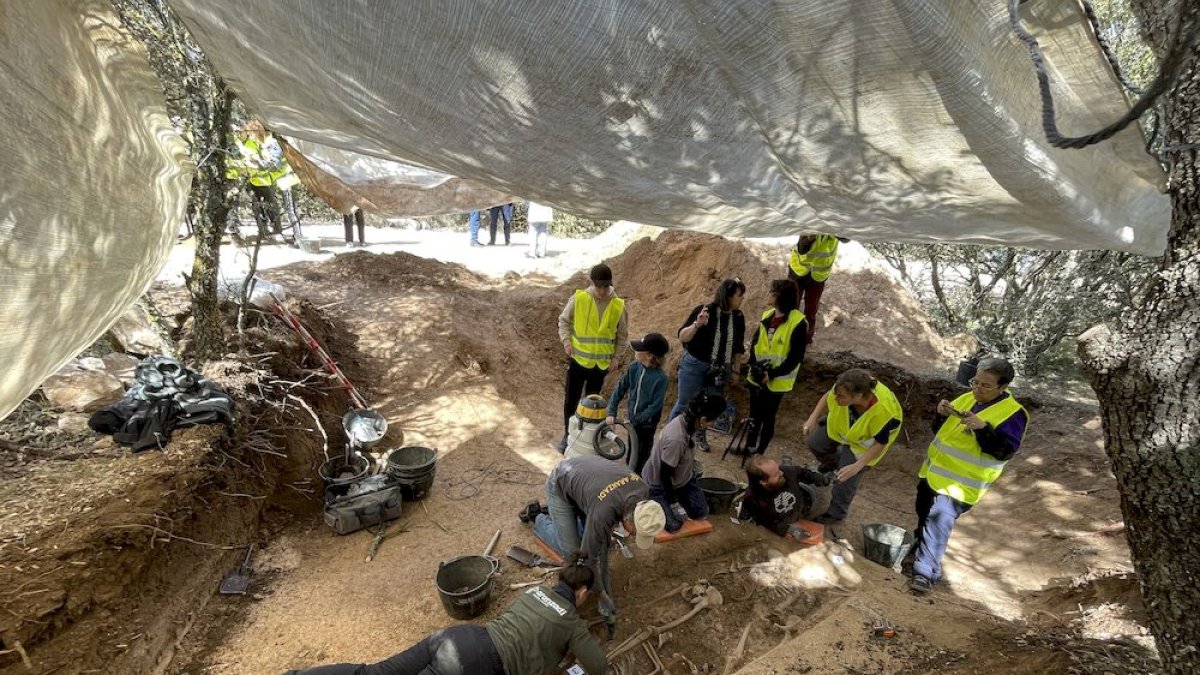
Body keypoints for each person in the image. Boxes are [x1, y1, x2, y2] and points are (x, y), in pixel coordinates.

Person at [283, 553, 607, 675]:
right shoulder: (572, 623)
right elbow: (597, 666)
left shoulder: (534, 592)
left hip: (456, 638)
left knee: (373, 673)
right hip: (474, 665)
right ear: (581, 593)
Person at [909, 358, 1027, 594]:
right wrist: (941, 414)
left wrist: (983, 430)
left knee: (938, 520)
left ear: (1002, 388)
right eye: (975, 382)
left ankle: (925, 572)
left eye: (985, 386)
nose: (977, 389)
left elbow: (1005, 451)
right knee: (924, 514)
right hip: (933, 473)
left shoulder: (1014, 414)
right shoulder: (966, 398)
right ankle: (918, 551)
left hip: (960, 484)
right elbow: (940, 432)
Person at [531, 455, 665, 619]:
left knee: (594, 538)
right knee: (571, 551)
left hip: (588, 484)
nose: (634, 535)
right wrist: (602, 595)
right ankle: (539, 519)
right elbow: (587, 560)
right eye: (636, 532)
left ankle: (571, 524)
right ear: (628, 520)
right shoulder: (604, 512)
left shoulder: (642, 491)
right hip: (560, 483)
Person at [801, 368, 903, 524]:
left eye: (840, 396)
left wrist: (856, 466)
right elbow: (828, 395)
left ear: (858, 396)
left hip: (865, 442)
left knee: (846, 478)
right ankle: (834, 465)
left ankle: (836, 513)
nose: (835, 398)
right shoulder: (846, 385)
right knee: (816, 443)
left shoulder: (882, 411)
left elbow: (881, 443)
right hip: (843, 427)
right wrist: (812, 418)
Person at [669, 278, 747, 452]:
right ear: (728, 296)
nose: (742, 299)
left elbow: (738, 347)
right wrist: (697, 325)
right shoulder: (705, 311)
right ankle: (671, 436)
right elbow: (682, 336)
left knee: (709, 406)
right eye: (739, 295)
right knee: (684, 403)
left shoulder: (738, 317)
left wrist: (735, 370)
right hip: (695, 365)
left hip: (720, 369)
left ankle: (699, 436)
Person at [557, 264, 628, 452]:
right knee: (571, 401)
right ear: (592, 283)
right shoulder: (579, 298)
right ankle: (568, 435)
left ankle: (587, 439)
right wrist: (566, 342)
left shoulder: (618, 305)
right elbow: (563, 321)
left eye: (606, 286)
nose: (603, 291)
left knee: (593, 405)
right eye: (599, 286)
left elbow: (622, 336)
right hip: (578, 361)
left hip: (600, 365)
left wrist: (616, 359)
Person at [643, 393, 726, 533]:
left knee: (702, 512)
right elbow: (664, 475)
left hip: (682, 479)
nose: (714, 424)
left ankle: (679, 498)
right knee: (674, 525)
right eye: (714, 420)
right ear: (703, 419)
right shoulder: (677, 439)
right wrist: (673, 503)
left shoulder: (689, 421)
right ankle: (652, 501)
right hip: (659, 484)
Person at [743, 279, 807, 457]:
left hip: (776, 382)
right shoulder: (767, 316)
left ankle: (760, 452)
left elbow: (795, 358)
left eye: (772, 292)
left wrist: (770, 374)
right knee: (753, 415)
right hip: (757, 376)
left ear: (779, 296)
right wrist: (755, 366)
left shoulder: (798, 323)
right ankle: (749, 449)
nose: (768, 294)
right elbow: (756, 344)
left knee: (768, 418)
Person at [605, 332, 670, 474]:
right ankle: (630, 472)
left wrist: (637, 420)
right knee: (632, 450)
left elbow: (655, 406)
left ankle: (639, 478)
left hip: (647, 424)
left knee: (642, 454)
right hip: (633, 421)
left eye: (640, 349)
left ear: (650, 356)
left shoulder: (661, 379)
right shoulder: (634, 367)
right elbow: (621, 387)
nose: (636, 350)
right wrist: (612, 411)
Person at [737, 455, 832, 539]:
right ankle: (788, 462)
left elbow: (804, 473)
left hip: (806, 498)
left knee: (811, 482)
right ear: (763, 482)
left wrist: (821, 479)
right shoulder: (752, 499)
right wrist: (786, 530)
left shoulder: (786, 471)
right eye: (775, 474)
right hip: (786, 518)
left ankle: (796, 465)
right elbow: (766, 521)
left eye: (778, 469)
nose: (781, 473)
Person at [786, 233, 841, 344]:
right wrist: (808, 239)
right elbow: (802, 249)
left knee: (811, 311)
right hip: (798, 270)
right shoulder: (811, 221)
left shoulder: (835, 223)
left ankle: (805, 341)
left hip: (818, 276)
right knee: (791, 306)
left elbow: (846, 237)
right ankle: (786, 338)